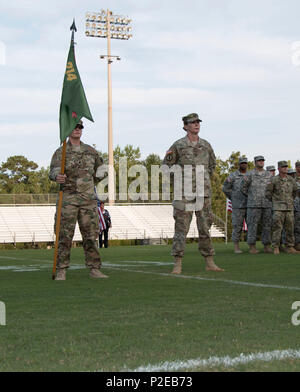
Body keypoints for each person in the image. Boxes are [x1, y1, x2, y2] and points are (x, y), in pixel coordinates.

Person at [163, 113, 224, 274]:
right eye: (193, 122)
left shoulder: (206, 145)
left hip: (203, 193)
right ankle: (177, 263)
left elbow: (212, 166)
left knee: (205, 227)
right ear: (185, 126)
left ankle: (209, 261)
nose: (196, 124)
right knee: (181, 229)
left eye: (198, 122)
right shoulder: (178, 145)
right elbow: (166, 166)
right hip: (184, 194)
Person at [49, 120, 108, 280]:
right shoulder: (60, 152)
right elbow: (53, 171)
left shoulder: (90, 151)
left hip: (87, 200)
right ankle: (61, 269)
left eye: (80, 127)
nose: (77, 129)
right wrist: (57, 176)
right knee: (64, 236)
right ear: (68, 129)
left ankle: (94, 268)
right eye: (74, 126)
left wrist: (90, 181)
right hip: (67, 200)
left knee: (90, 236)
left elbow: (102, 170)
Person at [265, 161, 300, 254]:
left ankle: (289, 246)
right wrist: (275, 202)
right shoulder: (274, 180)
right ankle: (276, 246)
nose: (285, 168)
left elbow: (296, 191)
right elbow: (268, 193)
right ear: (279, 169)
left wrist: (290, 200)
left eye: (286, 167)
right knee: (277, 228)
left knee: (290, 228)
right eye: (283, 167)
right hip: (278, 208)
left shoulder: (291, 179)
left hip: (289, 207)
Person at [240, 156, 273, 254]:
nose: (261, 162)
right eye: (259, 161)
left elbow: (272, 188)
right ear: (255, 162)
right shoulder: (250, 174)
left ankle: (267, 246)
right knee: (252, 225)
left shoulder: (269, 175)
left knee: (267, 225)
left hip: (267, 204)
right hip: (253, 204)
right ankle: (252, 246)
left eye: (262, 161)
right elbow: (243, 188)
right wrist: (252, 196)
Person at [222, 157, 248, 253]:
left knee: (252, 226)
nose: (244, 165)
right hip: (238, 205)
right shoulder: (233, 176)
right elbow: (225, 188)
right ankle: (236, 247)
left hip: (250, 204)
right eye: (242, 163)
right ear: (239, 164)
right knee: (237, 226)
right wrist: (232, 197)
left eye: (245, 163)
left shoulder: (250, 175)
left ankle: (252, 246)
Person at [294, 161, 300, 251]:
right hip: (296, 205)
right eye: (298, 166)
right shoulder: (292, 178)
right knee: (297, 225)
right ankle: (297, 243)